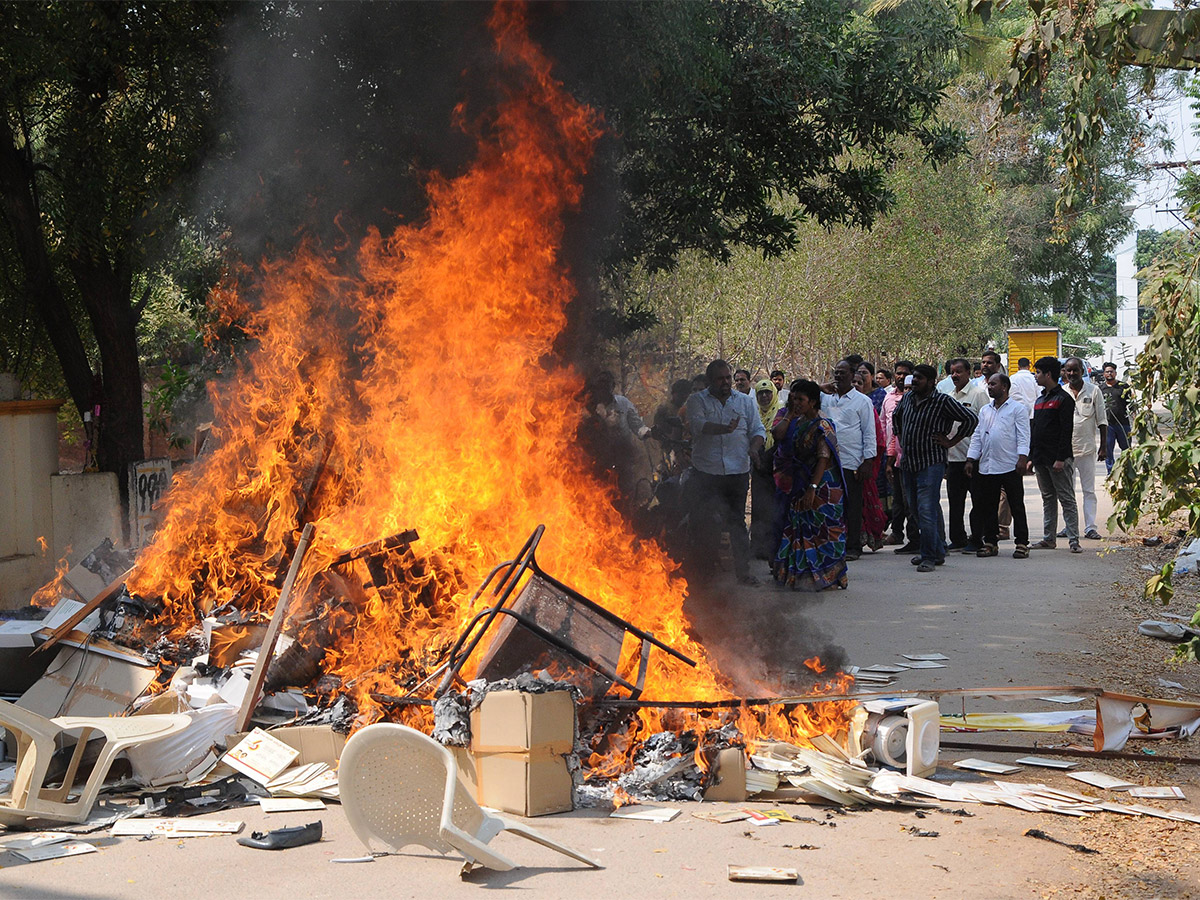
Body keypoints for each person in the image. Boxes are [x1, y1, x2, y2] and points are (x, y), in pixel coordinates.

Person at [686, 359, 766, 584]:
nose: (725, 382)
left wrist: (754, 448)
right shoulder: (696, 401)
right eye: (720, 378)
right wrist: (725, 429)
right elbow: (698, 426)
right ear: (710, 380)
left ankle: (743, 572)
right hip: (707, 472)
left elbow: (758, 430)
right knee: (707, 521)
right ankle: (707, 572)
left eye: (728, 378)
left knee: (737, 522)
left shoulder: (744, 402)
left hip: (737, 471)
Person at [893, 363, 979, 572]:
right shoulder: (907, 398)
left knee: (926, 509)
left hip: (931, 463)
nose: (914, 381)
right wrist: (903, 439)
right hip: (909, 463)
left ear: (931, 382)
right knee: (915, 508)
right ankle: (938, 549)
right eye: (914, 378)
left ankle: (928, 556)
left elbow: (970, 419)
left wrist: (951, 441)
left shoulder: (942, 401)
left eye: (919, 378)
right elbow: (896, 418)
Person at [771, 379, 848, 591]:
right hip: (800, 482)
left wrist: (813, 489)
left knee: (826, 531)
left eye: (801, 400)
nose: (796, 403)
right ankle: (802, 577)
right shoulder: (799, 422)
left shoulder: (823, 425)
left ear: (813, 402)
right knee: (801, 530)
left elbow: (823, 458)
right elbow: (778, 436)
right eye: (793, 399)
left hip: (823, 486)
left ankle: (831, 577)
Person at [965, 373, 1030, 558]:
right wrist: (971, 459)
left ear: (1004, 387)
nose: (990, 387)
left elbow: (1024, 435)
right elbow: (978, 436)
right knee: (989, 505)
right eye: (989, 384)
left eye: (994, 384)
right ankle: (990, 542)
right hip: (988, 465)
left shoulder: (1018, 409)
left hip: (1010, 464)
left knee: (1016, 505)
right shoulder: (985, 410)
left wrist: (1022, 458)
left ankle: (1022, 543)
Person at [822, 359, 877, 561]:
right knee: (829, 504)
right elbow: (799, 392)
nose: (838, 376)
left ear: (853, 375)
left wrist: (867, 461)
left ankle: (853, 546)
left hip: (851, 462)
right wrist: (822, 387)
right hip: (826, 462)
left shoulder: (862, 402)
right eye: (836, 372)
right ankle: (832, 544)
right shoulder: (825, 398)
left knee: (852, 506)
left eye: (843, 373)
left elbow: (869, 433)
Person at [1029, 356, 1080, 552]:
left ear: (1048, 374)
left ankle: (1074, 540)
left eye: (1038, 373)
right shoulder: (1040, 399)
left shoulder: (1063, 399)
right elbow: (1036, 430)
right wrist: (1032, 457)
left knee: (1066, 498)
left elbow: (1066, 431)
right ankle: (1048, 538)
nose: (1036, 376)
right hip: (1041, 458)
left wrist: (1060, 458)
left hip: (1058, 459)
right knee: (1047, 498)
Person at [581, 371, 651, 508]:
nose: (604, 389)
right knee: (599, 497)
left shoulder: (623, 404)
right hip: (599, 462)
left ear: (612, 386)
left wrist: (648, 432)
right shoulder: (588, 409)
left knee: (625, 495)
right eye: (600, 386)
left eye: (607, 385)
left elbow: (637, 426)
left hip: (623, 459)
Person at [943, 358, 987, 550]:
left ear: (969, 372)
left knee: (978, 500)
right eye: (952, 372)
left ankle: (977, 538)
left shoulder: (978, 394)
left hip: (973, 458)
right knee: (955, 502)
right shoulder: (948, 395)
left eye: (959, 371)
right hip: (953, 458)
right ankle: (957, 538)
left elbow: (985, 425)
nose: (955, 375)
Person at [1061, 357, 1106, 540]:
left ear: (1082, 371)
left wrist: (1104, 447)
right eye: (1068, 370)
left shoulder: (1094, 391)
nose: (1071, 374)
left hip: (1087, 449)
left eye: (1075, 370)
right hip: (1065, 451)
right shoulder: (1061, 392)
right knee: (1066, 492)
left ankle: (1090, 527)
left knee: (1088, 490)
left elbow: (1102, 421)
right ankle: (1068, 527)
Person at [883, 360, 917, 549]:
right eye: (898, 373)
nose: (901, 377)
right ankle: (897, 533)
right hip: (893, 457)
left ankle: (914, 537)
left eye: (905, 373)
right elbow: (885, 427)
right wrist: (887, 457)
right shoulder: (888, 398)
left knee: (909, 500)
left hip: (910, 457)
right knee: (897, 498)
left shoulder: (916, 399)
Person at [853, 371, 888, 550]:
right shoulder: (835, 403)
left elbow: (875, 435)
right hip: (843, 462)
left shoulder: (866, 404)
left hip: (864, 462)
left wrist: (869, 460)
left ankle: (871, 536)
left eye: (859, 382)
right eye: (853, 382)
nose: (856, 386)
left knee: (867, 500)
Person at [750, 378, 782, 559]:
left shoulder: (781, 411)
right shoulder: (754, 413)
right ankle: (758, 547)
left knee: (775, 508)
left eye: (767, 392)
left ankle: (774, 547)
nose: (764, 396)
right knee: (759, 506)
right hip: (758, 466)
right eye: (760, 393)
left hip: (777, 466)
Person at [1100, 362, 1132, 474]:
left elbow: (1131, 404)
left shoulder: (1124, 387)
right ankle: (1111, 472)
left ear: (1115, 373)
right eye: (1107, 372)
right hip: (1108, 425)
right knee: (1108, 450)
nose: (1109, 374)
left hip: (1123, 423)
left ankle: (1129, 471)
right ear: (1104, 374)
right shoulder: (1100, 389)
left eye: (1111, 371)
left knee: (1126, 449)